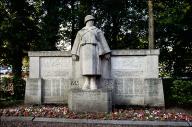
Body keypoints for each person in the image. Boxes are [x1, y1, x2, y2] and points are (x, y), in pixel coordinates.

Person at [71, 15, 110, 90]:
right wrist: (74, 53)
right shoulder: (81, 31)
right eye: (91, 20)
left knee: (94, 66)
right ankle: (87, 81)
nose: (92, 22)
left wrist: (107, 52)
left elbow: (103, 41)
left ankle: (93, 81)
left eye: (93, 20)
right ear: (87, 21)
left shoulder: (97, 30)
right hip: (84, 50)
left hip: (94, 48)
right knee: (85, 66)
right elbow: (76, 42)